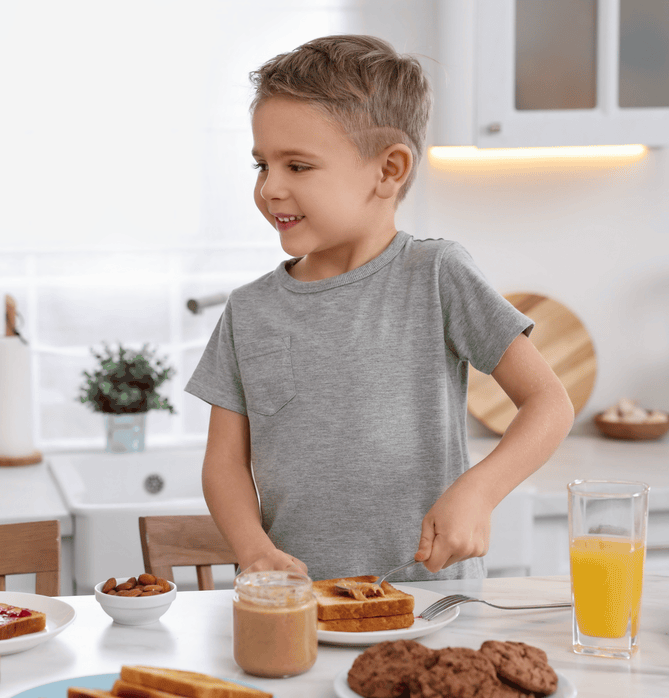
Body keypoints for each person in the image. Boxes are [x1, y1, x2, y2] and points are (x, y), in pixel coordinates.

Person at [185, 35, 574, 582]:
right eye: (261, 165)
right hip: (301, 608)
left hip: (431, 606)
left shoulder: (436, 275)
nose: (270, 188)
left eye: (297, 166)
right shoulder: (249, 313)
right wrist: (254, 550)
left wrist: (479, 490)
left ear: (388, 171)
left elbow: (549, 403)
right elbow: (224, 463)